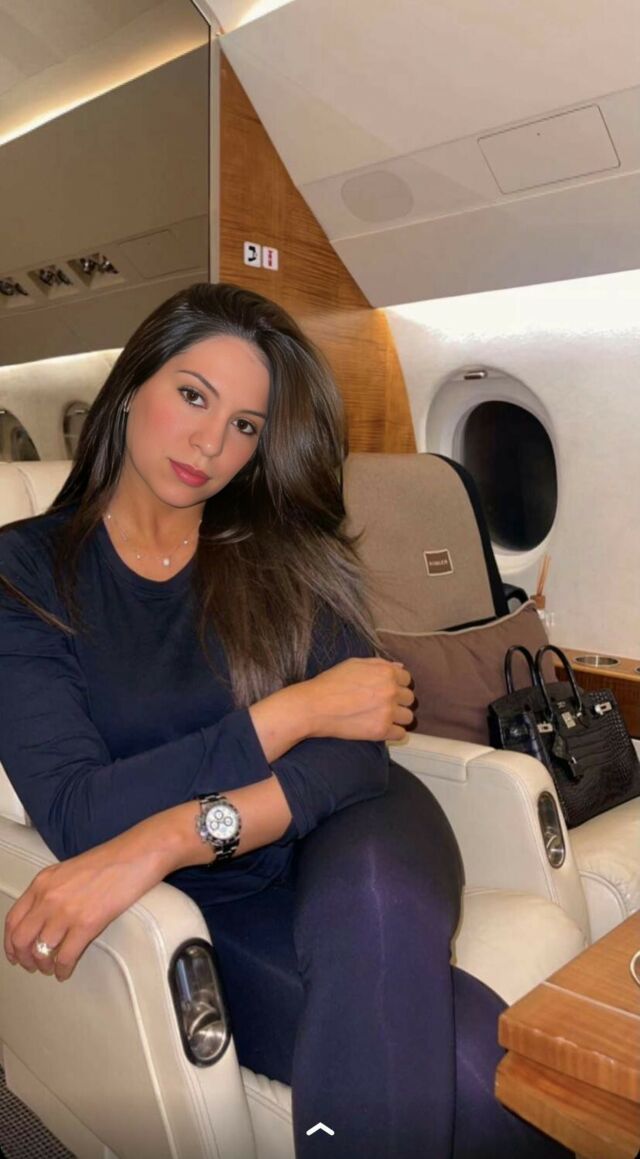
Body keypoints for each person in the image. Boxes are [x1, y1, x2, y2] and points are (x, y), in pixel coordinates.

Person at [0, 283, 568, 1159]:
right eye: (193, 395)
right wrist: (295, 709)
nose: (210, 443)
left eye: (244, 425)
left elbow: (357, 760)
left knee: (374, 906)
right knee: (470, 1066)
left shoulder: (278, 551)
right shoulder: (26, 573)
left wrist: (167, 835)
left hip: (359, 825)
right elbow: (79, 812)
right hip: (215, 898)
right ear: (132, 384)